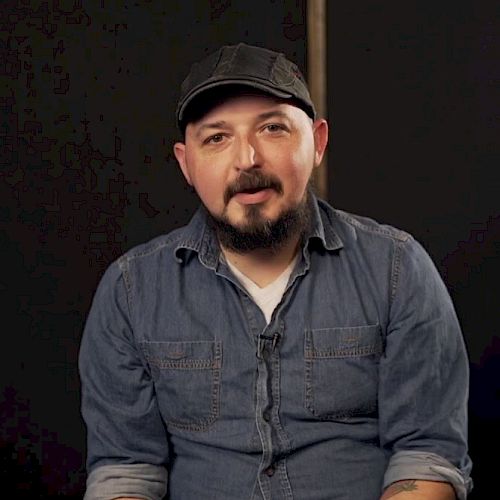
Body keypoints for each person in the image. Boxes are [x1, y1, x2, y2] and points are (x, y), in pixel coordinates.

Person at [79, 42, 473, 500]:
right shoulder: (131, 291)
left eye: (272, 128)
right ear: (186, 163)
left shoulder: (398, 269)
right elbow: (126, 473)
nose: (247, 159)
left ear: (318, 142)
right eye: (216, 138)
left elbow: (427, 455)